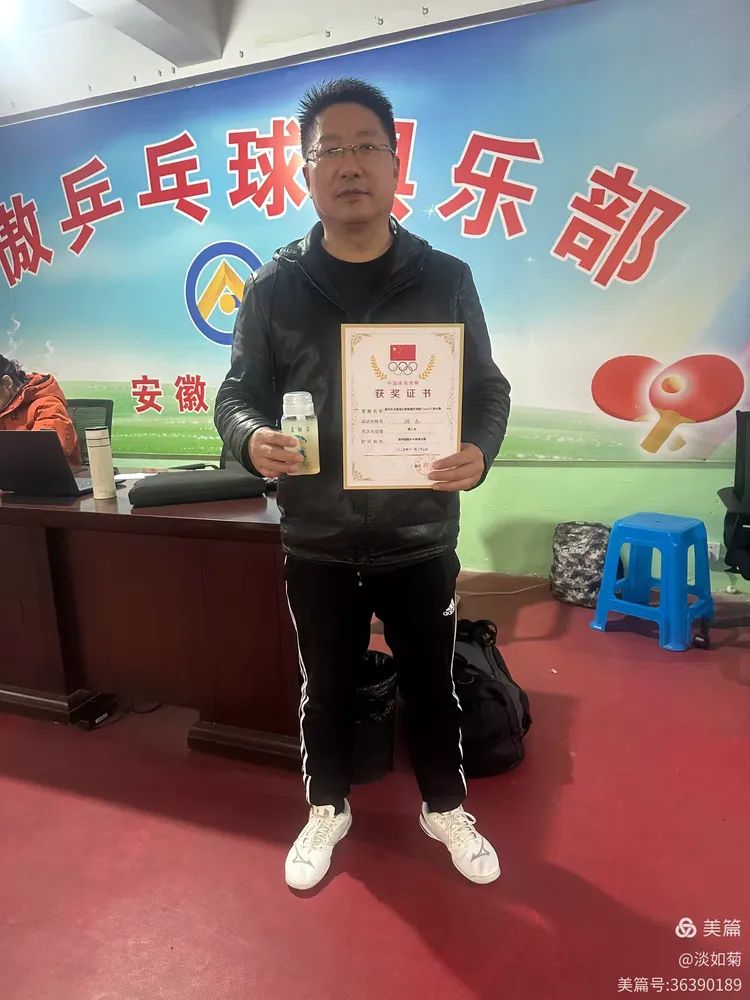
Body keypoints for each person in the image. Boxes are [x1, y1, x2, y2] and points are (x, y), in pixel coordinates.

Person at [215, 78, 511, 891]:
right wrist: (250, 437)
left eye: (366, 147)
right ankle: (327, 805)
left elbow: (487, 391)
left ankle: (445, 805)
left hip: (421, 532)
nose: (350, 165)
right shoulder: (273, 287)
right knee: (325, 686)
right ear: (307, 172)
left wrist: (479, 450)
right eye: (330, 151)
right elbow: (235, 394)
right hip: (317, 535)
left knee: (433, 682)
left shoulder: (444, 278)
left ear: (395, 162)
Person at [0, 355, 82, 466]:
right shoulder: (4, 405)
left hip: (45, 475)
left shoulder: (47, 406)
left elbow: (44, 454)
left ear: (6, 383)